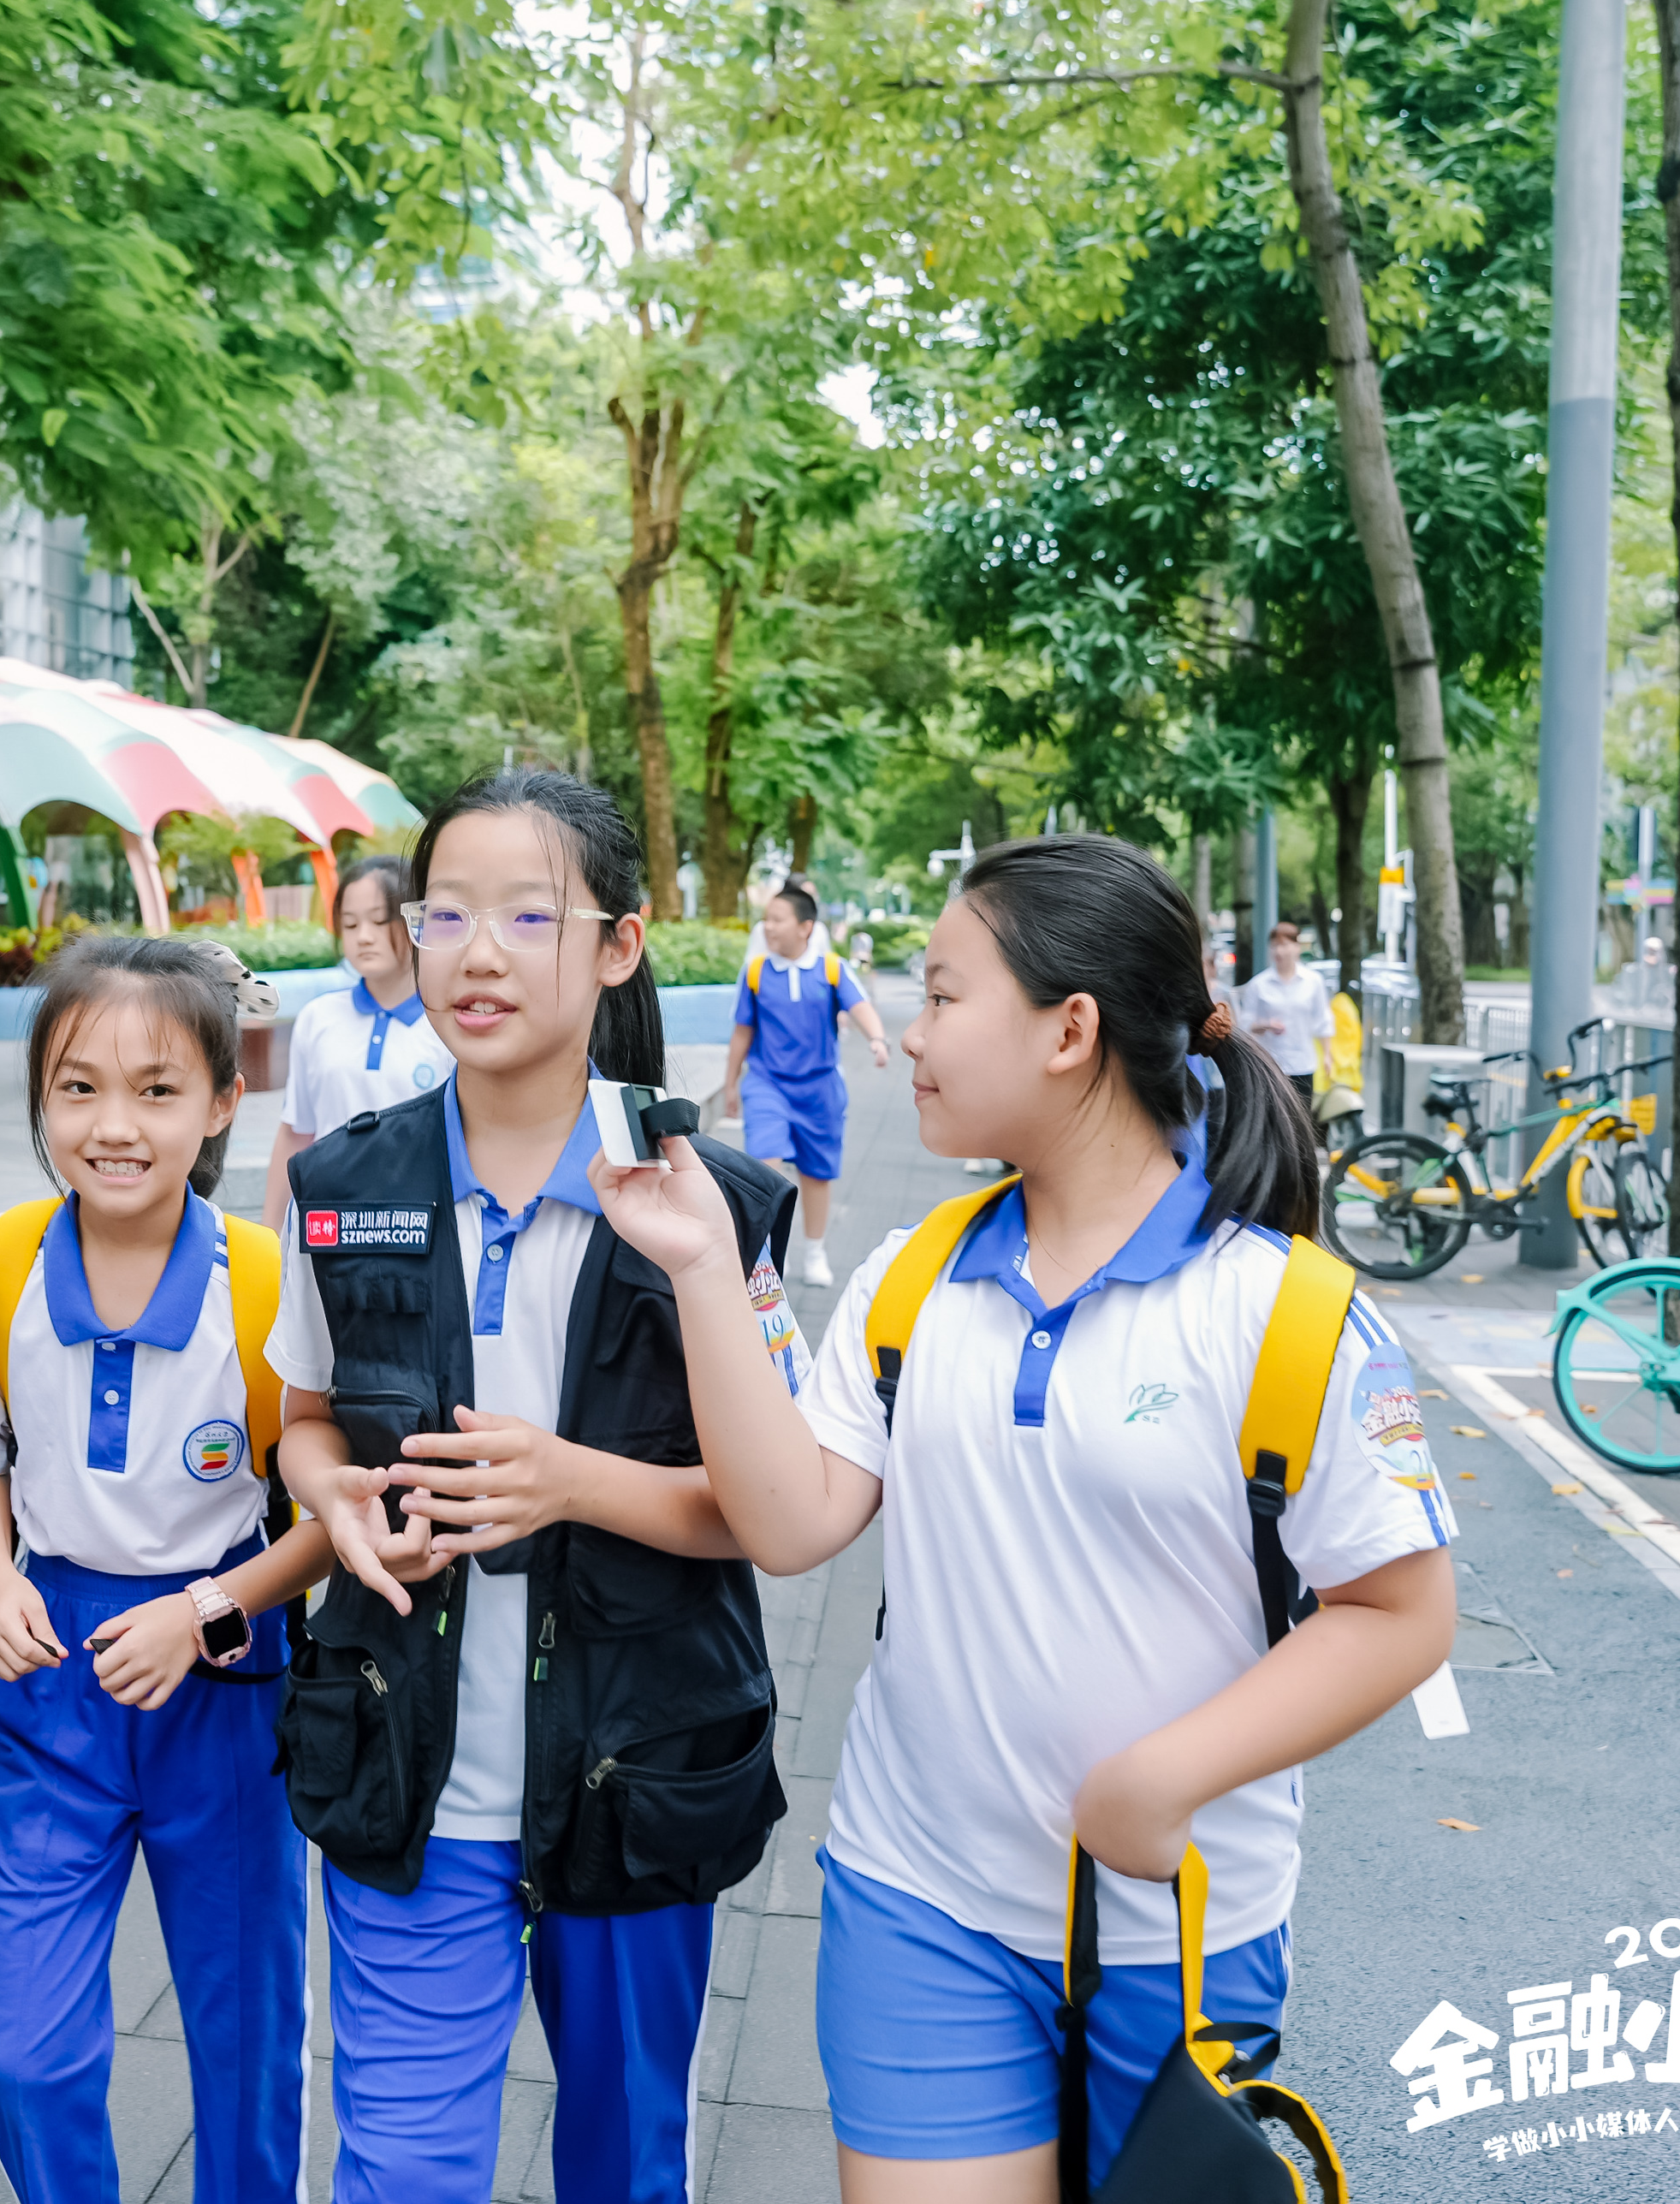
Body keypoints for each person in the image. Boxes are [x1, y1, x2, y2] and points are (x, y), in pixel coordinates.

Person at [590, 835, 1457, 2203]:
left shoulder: (1285, 1309)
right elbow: (790, 1520)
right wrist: (701, 1265)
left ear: (1070, 1029)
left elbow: (1400, 1610)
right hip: (915, 1895)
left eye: (944, 995)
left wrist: (1162, 1775)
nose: (913, 1030)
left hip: (1180, 1923)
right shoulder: (912, 1278)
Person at [271, 769, 801, 2204]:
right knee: (399, 2172)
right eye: (444, 914)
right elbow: (304, 1422)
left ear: (618, 945)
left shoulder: (710, 1203)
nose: (476, 953)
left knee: (625, 2166)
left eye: (525, 915)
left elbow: (774, 1507)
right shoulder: (344, 1184)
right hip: (405, 1773)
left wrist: (570, 1483)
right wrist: (332, 1498)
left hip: (635, 1777)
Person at [0, 936, 331, 2202]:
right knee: (27, 2056)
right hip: (53, 1680)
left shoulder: (270, 1284)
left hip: (227, 1678)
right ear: (41, 1099)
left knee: (245, 2039)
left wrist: (205, 1610)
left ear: (222, 1102)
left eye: (157, 1090)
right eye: (78, 1086)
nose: (113, 1124)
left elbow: (332, 1518)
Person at [263, 854, 454, 1226]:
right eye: (350, 924)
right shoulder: (317, 1019)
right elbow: (296, 1132)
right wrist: (270, 1232)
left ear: (416, 921)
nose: (363, 936)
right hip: (329, 1222)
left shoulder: (447, 1023)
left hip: (419, 1224)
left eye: (380, 921)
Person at [720, 882, 889, 1287]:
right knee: (765, 1168)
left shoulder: (831, 969)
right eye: (766, 919)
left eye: (777, 920)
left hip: (820, 1090)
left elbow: (860, 1006)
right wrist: (730, 1084)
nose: (768, 927)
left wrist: (878, 1039)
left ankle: (814, 1252)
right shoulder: (756, 972)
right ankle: (768, 1255)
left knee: (816, 1175)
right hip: (767, 1084)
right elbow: (742, 1032)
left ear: (805, 927)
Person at [1237, 920, 1331, 1104]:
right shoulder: (1258, 984)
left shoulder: (1313, 981)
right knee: (1272, 1116)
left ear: (1297, 947)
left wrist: (1328, 1054)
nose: (1279, 951)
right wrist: (1266, 1025)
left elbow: (1323, 1020)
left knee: (1302, 1115)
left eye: (1284, 945)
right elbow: (1245, 1024)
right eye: (1274, 946)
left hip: (1303, 1063)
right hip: (1270, 1064)